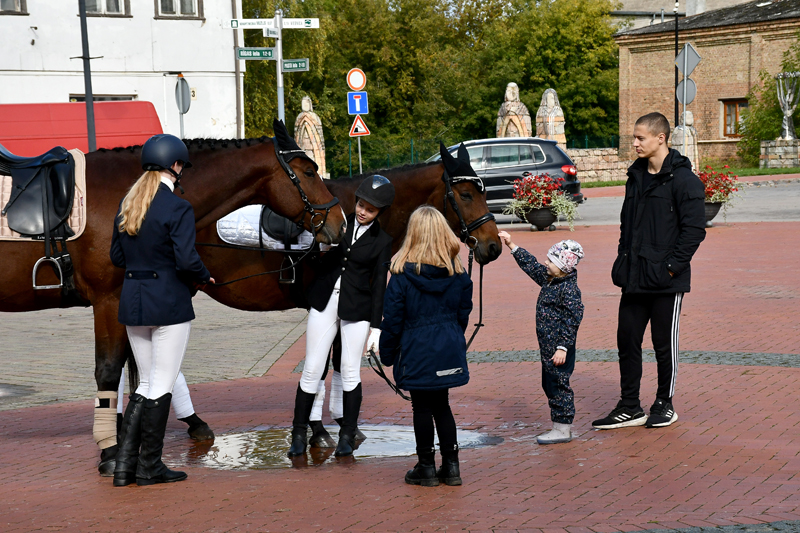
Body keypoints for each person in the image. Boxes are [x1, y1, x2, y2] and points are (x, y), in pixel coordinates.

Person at [110, 133, 213, 487]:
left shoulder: (128, 203)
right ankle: (149, 465)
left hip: (134, 302)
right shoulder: (178, 207)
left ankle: (125, 466)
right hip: (168, 302)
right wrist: (204, 276)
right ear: (176, 165)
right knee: (161, 385)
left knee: (145, 382)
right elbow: (186, 259)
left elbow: (117, 257)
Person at [593, 112, 706, 430]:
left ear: (661, 138)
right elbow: (626, 224)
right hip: (634, 276)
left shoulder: (684, 180)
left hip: (666, 281)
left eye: (640, 137)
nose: (635, 143)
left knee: (662, 344)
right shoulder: (635, 177)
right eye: (634, 137)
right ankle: (630, 406)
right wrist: (623, 258)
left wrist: (670, 269)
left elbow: (694, 231)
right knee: (627, 340)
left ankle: (664, 403)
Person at [288, 175, 395, 458]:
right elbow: (315, 257)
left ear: (380, 212)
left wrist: (376, 327)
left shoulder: (383, 241)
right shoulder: (338, 222)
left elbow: (379, 284)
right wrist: (321, 248)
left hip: (357, 309)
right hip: (325, 302)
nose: (363, 211)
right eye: (361, 205)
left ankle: (347, 434)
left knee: (349, 370)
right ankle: (298, 433)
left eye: (370, 209)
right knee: (312, 368)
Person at [379, 206, 474, 487]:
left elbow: (392, 320)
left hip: (416, 349)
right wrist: (452, 338)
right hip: (447, 345)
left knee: (421, 407)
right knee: (442, 404)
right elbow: (463, 313)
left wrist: (387, 354)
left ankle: (426, 466)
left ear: (413, 235)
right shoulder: (458, 273)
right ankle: (452, 467)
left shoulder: (401, 276)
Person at [498, 232, 584, 444]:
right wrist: (512, 245)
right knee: (549, 383)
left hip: (558, 350)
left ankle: (562, 428)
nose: (546, 262)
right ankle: (559, 426)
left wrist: (562, 347)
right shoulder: (551, 279)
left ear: (563, 266)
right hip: (548, 347)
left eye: (551, 260)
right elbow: (531, 266)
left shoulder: (568, 289)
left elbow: (572, 320)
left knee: (558, 384)